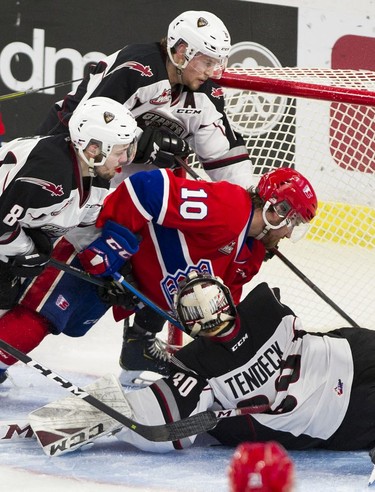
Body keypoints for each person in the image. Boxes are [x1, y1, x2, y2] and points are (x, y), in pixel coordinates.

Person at [36, 10, 256, 376]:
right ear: (181, 50)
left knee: (179, 252)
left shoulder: (206, 94)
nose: (213, 71)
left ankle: (139, 342)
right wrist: (140, 143)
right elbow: (88, 128)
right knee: (51, 265)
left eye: (218, 62)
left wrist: (249, 214)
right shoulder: (136, 69)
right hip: (76, 165)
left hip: (135, 189)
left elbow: (224, 157)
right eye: (206, 60)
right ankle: (13, 336)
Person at [0, 166, 317, 387]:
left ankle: (139, 345)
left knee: (71, 325)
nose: (290, 234)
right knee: (40, 316)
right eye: (294, 222)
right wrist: (116, 243)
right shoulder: (230, 208)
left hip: (132, 276)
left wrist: (227, 352)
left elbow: (215, 309)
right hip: (97, 243)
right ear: (277, 211)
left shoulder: (252, 254)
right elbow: (146, 188)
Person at [27, 271, 375, 461]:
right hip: (344, 357)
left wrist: (74, 418)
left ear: (188, 324)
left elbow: (154, 427)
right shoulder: (262, 304)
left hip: (333, 414)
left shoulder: (194, 365)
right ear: (227, 300)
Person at [0, 96, 138, 384]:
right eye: (121, 151)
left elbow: (82, 228)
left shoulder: (93, 176)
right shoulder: (49, 174)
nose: (125, 161)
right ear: (93, 148)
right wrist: (26, 249)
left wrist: (113, 273)